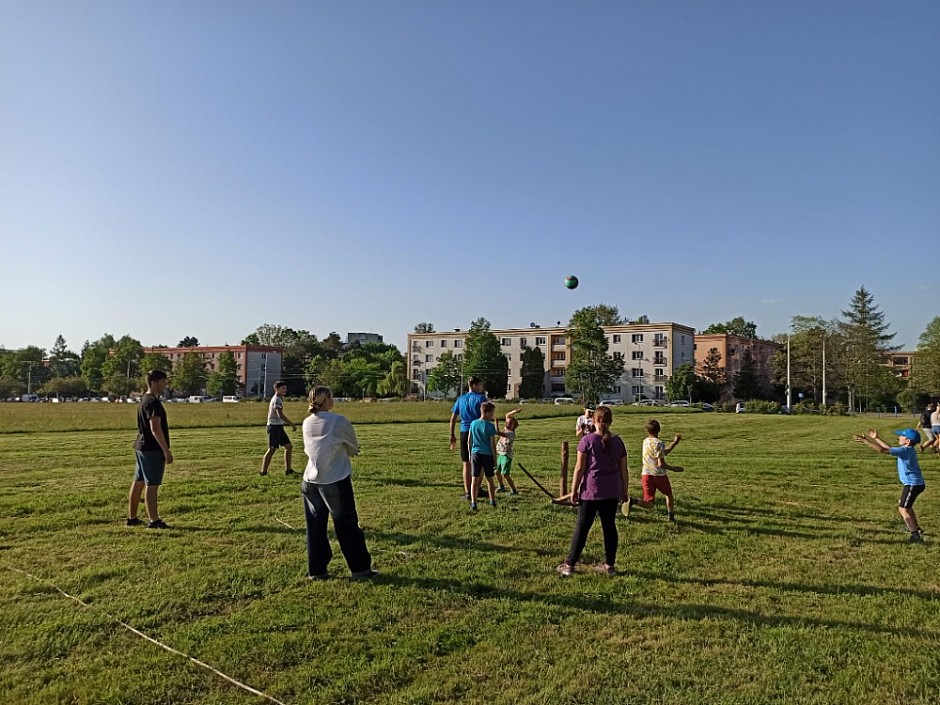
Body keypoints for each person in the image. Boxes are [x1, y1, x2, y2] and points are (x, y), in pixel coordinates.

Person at [301, 386, 377, 579]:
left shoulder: (307, 423)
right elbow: (353, 447)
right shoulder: (339, 421)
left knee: (315, 528)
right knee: (347, 525)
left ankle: (317, 570)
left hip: (310, 480)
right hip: (334, 478)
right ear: (326, 399)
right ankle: (360, 568)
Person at [556, 405, 629, 577]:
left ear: (594, 421)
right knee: (609, 527)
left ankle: (569, 565)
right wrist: (624, 490)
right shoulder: (618, 442)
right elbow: (624, 470)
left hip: (590, 490)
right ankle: (609, 565)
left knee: (582, 527)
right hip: (611, 491)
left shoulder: (587, 441)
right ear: (611, 422)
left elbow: (580, 468)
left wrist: (574, 490)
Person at [853, 428, 926, 542]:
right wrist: (876, 438)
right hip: (917, 483)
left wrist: (865, 441)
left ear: (907, 441)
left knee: (903, 509)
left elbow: (882, 450)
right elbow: (888, 449)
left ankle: (915, 534)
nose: (899, 437)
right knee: (906, 506)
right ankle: (915, 528)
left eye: (901, 436)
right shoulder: (907, 449)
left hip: (912, 484)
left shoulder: (904, 451)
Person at [127, 370, 173, 529]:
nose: (165, 384)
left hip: (141, 446)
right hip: (152, 449)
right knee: (151, 485)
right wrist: (166, 450)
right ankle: (154, 521)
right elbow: (155, 428)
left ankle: (132, 518)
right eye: (163, 381)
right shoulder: (153, 402)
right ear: (153, 382)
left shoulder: (144, 400)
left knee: (138, 481)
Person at [624, 419, 684, 522]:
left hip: (646, 475)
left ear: (647, 431)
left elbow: (662, 453)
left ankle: (634, 501)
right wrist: (674, 468)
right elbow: (661, 463)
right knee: (668, 494)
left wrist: (674, 443)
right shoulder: (659, 443)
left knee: (649, 503)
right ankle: (671, 516)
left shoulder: (645, 441)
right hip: (659, 475)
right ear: (659, 430)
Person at [449, 377, 487, 499]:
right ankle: (477, 488)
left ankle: (467, 492)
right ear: (474, 385)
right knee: (479, 463)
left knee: (466, 463)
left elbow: (453, 418)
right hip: (478, 432)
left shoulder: (461, 399)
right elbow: (486, 416)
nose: (482, 387)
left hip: (464, 432)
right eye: (481, 385)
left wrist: (452, 434)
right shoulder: (481, 398)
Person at [468, 402, 509, 510]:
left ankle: (473, 502)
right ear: (487, 413)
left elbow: (469, 440)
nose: (492, 415)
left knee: (474, 479)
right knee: (489, 479)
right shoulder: (490, 426)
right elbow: (492, 444)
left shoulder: (473, 423)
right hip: (487, 455)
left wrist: (469, 454)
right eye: (492, 413)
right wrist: (494, 459)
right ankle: (492, 500)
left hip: (475, 454)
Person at [261, 381, 297, 476]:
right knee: (272, 449)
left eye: (285, 388)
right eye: (283, 388)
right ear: (276, 389)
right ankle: (263, 472)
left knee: (288, 447)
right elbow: (280, 415)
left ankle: (288, 470)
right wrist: (291, 424)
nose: (285, 390)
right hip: (274, 427)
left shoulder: (279, 399)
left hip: (278, 426)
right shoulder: (277, 400)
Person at [495, 408, 522, 494]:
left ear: (514, 426)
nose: (508, 423)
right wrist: (515, 411)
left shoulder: (511, 433)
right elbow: (507, 415)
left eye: (511, 423)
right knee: (497, 472)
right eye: (508, 422)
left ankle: (514, 490)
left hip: (506, 455)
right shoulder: (507, 428)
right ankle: (501, 486)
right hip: (500, 454)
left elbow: (498, 432)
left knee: (505, 474)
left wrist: (496, 423)